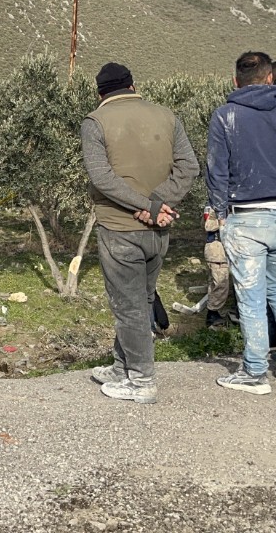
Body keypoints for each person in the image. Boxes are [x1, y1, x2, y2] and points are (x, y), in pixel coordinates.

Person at [80, 62, 198, 404]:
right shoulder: (166, 115)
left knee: (127, 306)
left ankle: (142, 380)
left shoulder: (95, 122)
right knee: (141, 299)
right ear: (132, 85)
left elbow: (102, 179)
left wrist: (144, 207)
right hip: (158, 231)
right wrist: (159, 205)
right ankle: (122, 366)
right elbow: (189, 167)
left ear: (101, 92)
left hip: (120, 228)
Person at [207, 51, 276, 394]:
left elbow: (217, 172)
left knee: (251, 296)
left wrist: (220, 216)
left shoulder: (225, 115)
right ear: (272, 79)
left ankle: (254, 372)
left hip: (246, 217)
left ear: (235, 80)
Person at [203, 208, 234, 328]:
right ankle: (212, 314)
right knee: (220, 284)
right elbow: (208, 225)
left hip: (218, 250)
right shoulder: (216, 206)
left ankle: (213, 312)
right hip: (217, 251)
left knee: (215, 283)